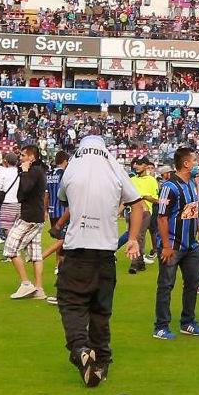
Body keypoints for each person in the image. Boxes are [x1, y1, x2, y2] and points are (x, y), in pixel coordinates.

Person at [47, 133, 140, 382]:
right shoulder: (114, 165)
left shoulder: (73, 167)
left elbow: (65, 200)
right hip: (106, 252)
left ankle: (80, 348)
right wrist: (132, 238)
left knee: (71, 302)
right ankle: (101, 362)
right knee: (101, 311)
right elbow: (138, 203)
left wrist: (59, 225)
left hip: (78, 249)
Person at [151, 146, 199, 339]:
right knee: (166, 285)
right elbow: (161, 218)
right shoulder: (169, 187)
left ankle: (188, 321)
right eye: (194, 160)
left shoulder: (191, 183)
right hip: (173, 245)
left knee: (192, 283)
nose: (196, 163)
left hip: (191, 244)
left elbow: (192, 210)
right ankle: (161, 326)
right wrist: (166, 246)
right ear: (185, 163)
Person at [6, 144, 50, 300]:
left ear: (32, 157)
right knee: (35, 254)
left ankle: (26, 284)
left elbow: (25, 189)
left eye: (23, 155)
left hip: (29, 217)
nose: (20, 158)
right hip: (36, 216)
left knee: (10, 249)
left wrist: (24, 172)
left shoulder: (33, 171)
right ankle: (39, 289)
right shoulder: (40, 171)